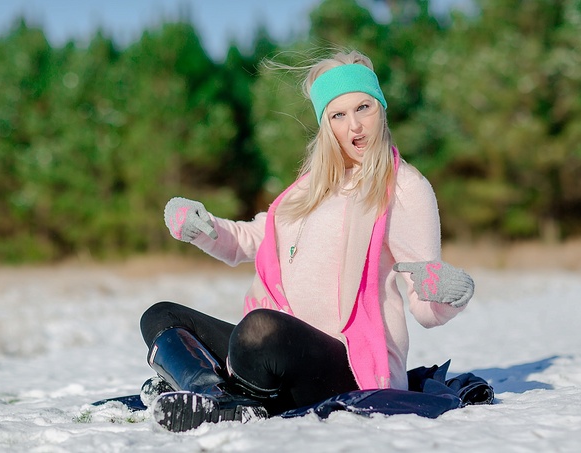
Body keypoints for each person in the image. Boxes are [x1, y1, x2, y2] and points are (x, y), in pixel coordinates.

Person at [139, 49, 475, 432]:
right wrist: (201, 226)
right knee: (162, 316)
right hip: (281, 349)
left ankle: (218, 394)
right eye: (339, 115)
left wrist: (448, 293)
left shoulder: (404, 189)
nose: (355, 127)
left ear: (380, 106)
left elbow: (425, 304)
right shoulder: (310, 187)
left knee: (259, 330)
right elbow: (253, 239)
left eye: (363, 108)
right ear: (325, 124)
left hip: (347, 364)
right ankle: (215, 398)